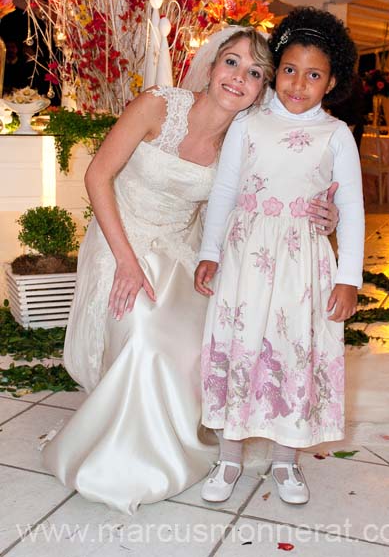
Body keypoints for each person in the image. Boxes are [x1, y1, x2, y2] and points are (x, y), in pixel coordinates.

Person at [42, 26, 339, 514]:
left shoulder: (246, 142)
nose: (239, 77)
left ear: (262, 91)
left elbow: (282, 195)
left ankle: (181, 444)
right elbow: (98, 176)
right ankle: (129, 457)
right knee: (145, 335)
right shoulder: (158, 106)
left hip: (181, 248)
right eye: (232, 62)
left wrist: (331, 217)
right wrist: (126, 263)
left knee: (206, 338)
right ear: (212, 63)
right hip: (119, 237)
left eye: (255, 72)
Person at [194, 7, 365, 505]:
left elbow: (351, 208)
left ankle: (286, 462)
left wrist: (348, 276)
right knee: (240, 342)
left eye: (313, 75)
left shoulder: (336, 136)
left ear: (331, 82)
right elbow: (225, 190)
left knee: (294, 351)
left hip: (302, 265)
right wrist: (210, 251)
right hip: (245, 258)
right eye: (289, 70)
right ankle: (228, 457)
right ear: (275, 72)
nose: (297, 84)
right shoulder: (248, 124)